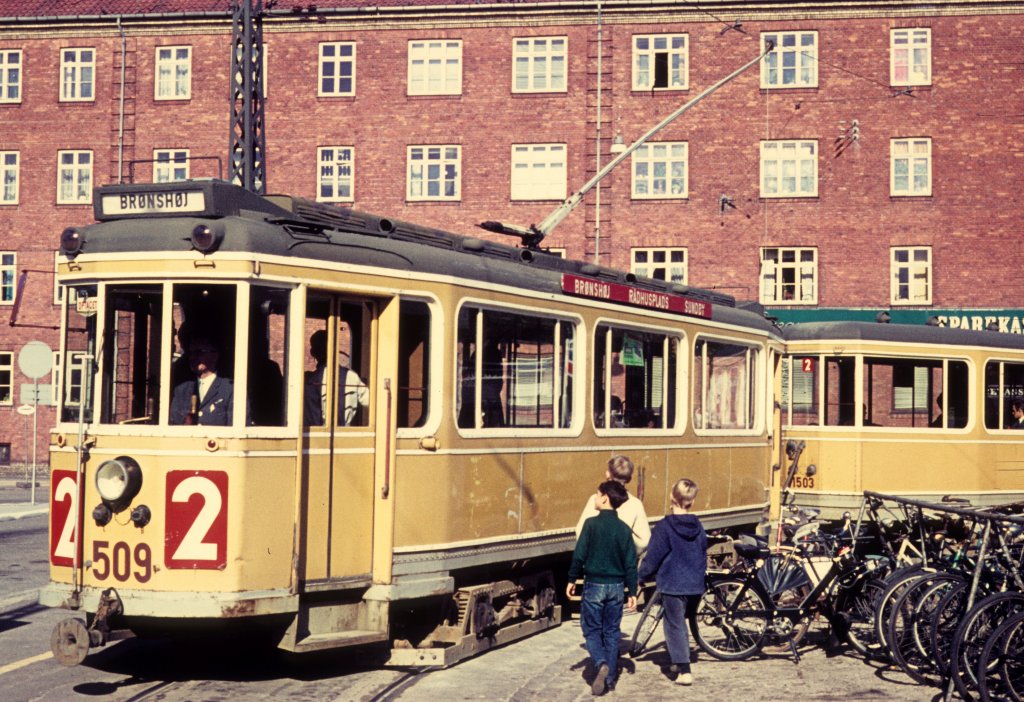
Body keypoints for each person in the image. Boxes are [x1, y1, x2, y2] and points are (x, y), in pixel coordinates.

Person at [566, 480, 638, 696]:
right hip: (616, 587)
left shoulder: (590, 525)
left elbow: (579, 556)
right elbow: (630, 563)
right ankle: (610, 679)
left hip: (594, 585)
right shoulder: (624, 529)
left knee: (591, 630)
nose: (595, 499)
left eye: (597, 495)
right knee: (612, 631)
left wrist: (571, 579)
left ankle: (601, 662)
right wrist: (632, 591)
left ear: (605, 497)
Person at [637, 478, 708, 687]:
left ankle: (684, 670)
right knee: (683, 622)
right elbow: (703, 549)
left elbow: (653, 558)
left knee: (674, 625)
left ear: (671, 497)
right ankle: (678, 662)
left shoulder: (664, 527)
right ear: (692, 501)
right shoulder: (698, 525)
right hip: (694, 585)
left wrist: (639, 577)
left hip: (673, 583)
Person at [575, 455, 651, 554]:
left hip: (595, 561)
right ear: (629, 479)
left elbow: (580, 532)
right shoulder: (635, 504)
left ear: (608, 474)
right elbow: (644, 542)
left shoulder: (596, 500)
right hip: (620, 564)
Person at [304, 329, 369, 426]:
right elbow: (369, 402)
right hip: (346, 436)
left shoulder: (309, 381)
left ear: (313, 352)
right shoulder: (352, 376)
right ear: (335, 350)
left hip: (314, 437)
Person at [169, 337, 234, 426]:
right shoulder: (181, 390)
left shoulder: (230, 389)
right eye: (190, 353)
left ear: (214, 355)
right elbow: (174, 425)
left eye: (199, 352)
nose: (193, 357)